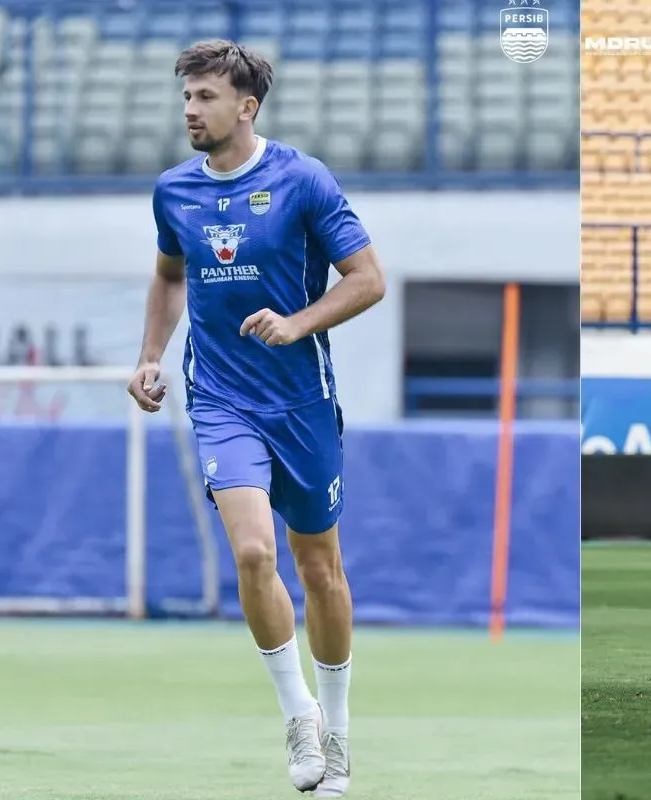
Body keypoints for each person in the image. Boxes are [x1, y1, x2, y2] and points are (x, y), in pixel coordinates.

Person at [127, 40, 385, 795]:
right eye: (186, 98)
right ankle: (298, 717)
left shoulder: (302, 179)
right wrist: (150, 356)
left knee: (321, 570)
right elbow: (170, 277)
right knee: (251, 554)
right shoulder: (173, 191)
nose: (189, 111)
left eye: (204, 98)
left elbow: (368, 280)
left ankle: (337, 729)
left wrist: (298, 323)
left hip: (302, 402)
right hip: (222, 400)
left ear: (246, 107)